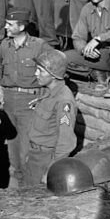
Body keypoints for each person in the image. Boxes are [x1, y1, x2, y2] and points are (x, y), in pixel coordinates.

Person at [0, 8, 55, 188]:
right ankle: (14, 189)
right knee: (12, 148)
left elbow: (55, 67)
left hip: (29, 102)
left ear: (22, 26)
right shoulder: (5, 45)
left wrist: (44, 96)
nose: (5, 27)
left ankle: (29, 188)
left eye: (10, 25)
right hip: (9, 101)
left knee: (26, 150)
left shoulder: (39, 46)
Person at [26, 49, 77, 186]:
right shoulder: (48, 91)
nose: (36, 73)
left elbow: (66, 142)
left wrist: (51, 170)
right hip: (35, 155)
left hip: (46, 159)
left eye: (40, 70)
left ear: (53, 75)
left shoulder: (64, 101)